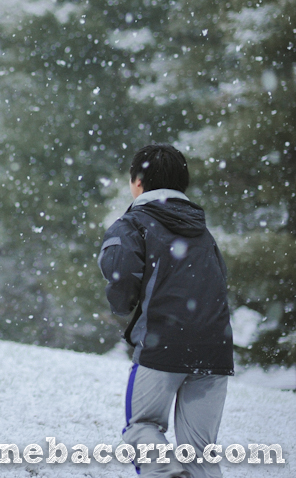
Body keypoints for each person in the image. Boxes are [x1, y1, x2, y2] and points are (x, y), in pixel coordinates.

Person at [98, 144, 233, 478]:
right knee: (199, 455)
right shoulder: (203, 232)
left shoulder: (132, 224)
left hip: (163, 345)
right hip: (215, 350)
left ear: (137, 183)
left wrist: (124, 304)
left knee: (141, 427)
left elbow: (121, 278)